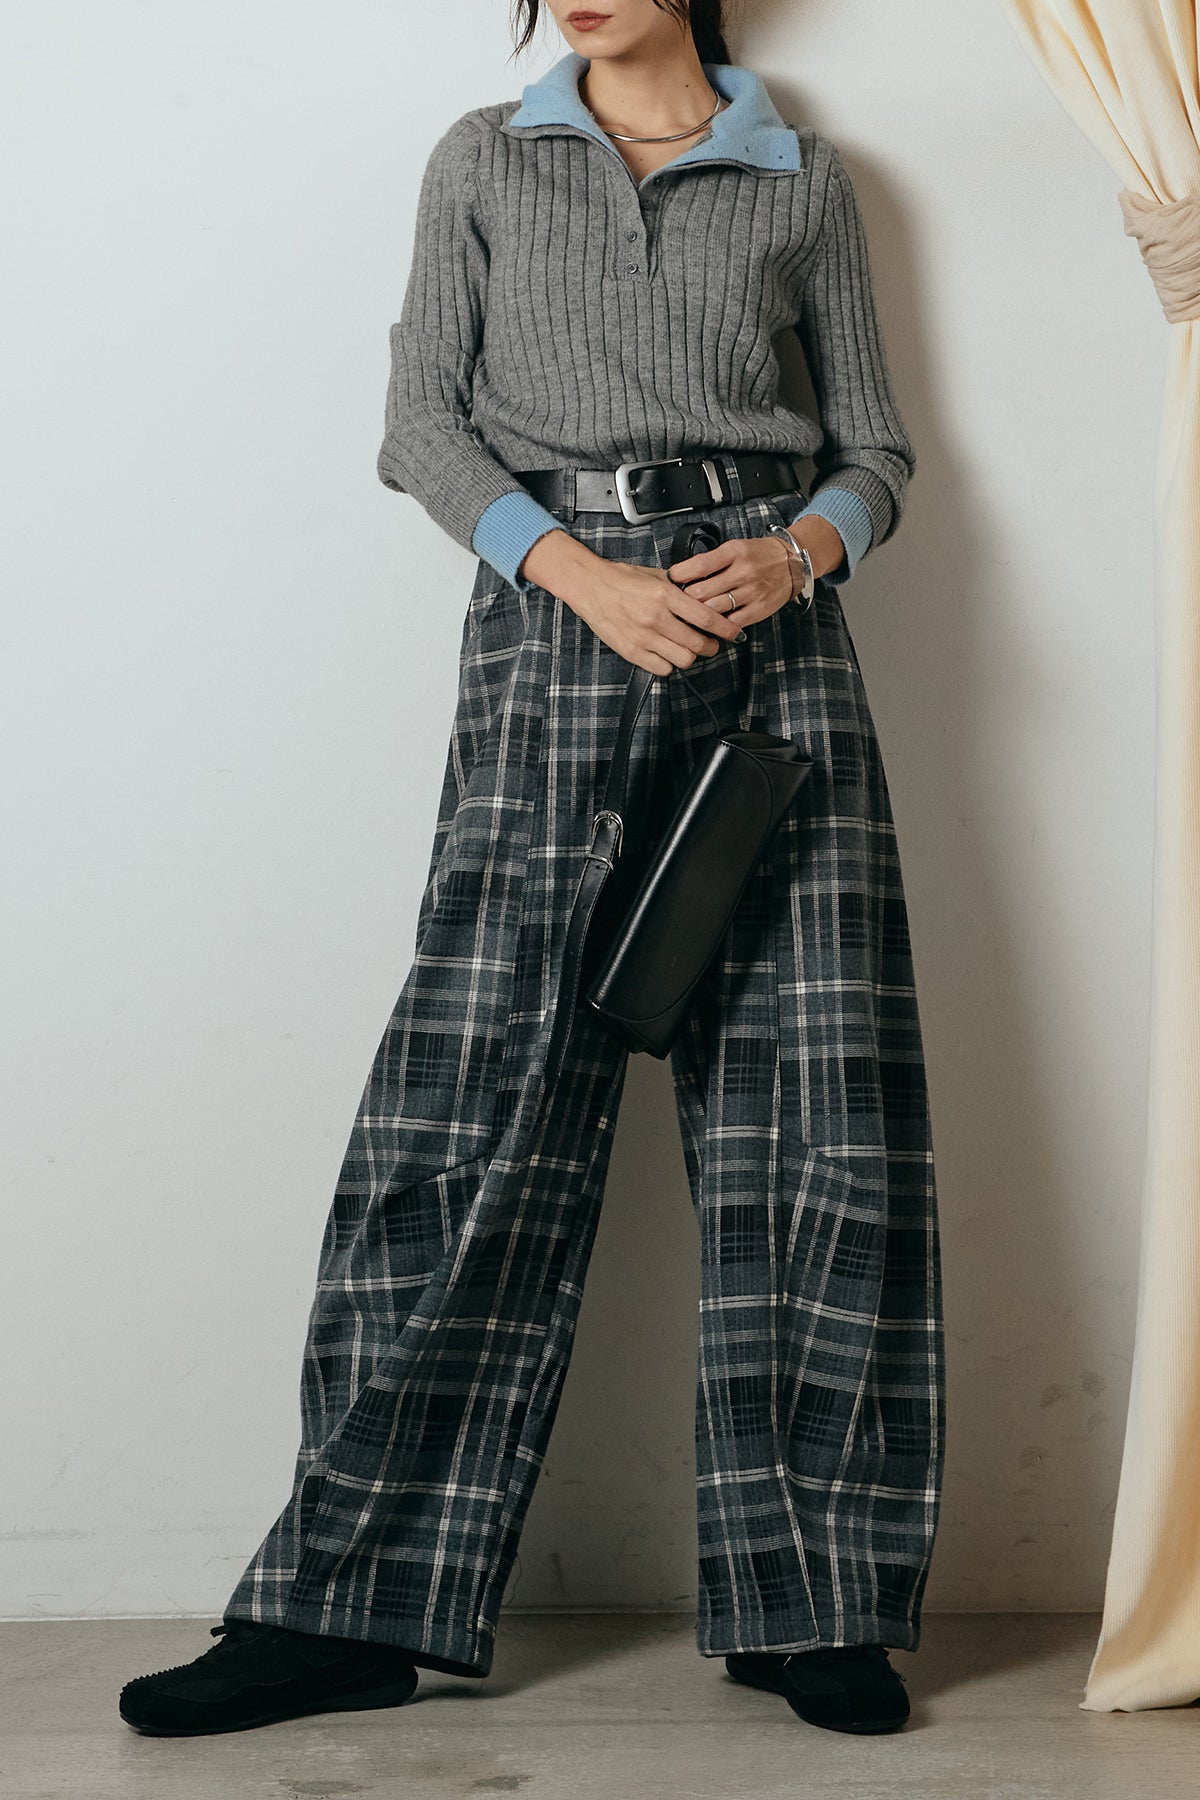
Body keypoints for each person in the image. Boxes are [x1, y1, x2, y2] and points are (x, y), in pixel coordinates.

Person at [119, 0, 944, 1742]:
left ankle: (816, 1604)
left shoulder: (803, 178)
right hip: (558, 635)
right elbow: (422, 427)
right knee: (471, 1096)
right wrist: (580, 576)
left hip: (774, 653)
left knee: (815, 1109)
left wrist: (798, 553)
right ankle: (345, 1605)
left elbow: (877, 448)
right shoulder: (484, 159)